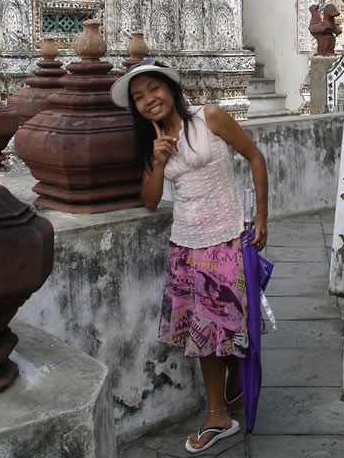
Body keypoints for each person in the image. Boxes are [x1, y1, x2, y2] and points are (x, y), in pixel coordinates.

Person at [110, 58, 268, 454]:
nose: (149, 100)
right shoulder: (152, 143)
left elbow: (255, 158)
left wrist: (262, 217)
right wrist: (160, 160)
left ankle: (233, 389)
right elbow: (149, 201)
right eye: (139, 97)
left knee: (229, 328)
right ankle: (218, 412)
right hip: (186, 245)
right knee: (203, 332)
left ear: (172, 89)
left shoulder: (209, 117)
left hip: (229, 237)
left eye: (154, 89)